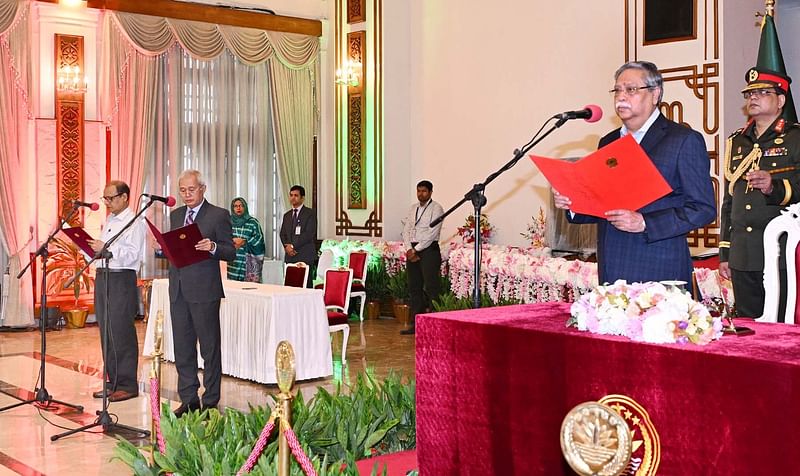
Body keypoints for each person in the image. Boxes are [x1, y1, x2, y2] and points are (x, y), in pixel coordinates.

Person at [554, 61, 716, 285]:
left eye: (630, 90)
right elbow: (603, 203)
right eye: (617, 90)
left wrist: (645, 222)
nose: (621, 97)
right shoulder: (608, 141)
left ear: (655, 94)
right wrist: (573, 201)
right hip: (612, 263)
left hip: (659, 266)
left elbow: (703, 209)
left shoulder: (682, 140)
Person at [719, 67, 800, 318]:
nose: (753, 97)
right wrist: (726, 252)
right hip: (743, 253)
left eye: (763, 92)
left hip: (781, 252)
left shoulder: (795, 137)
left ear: (781, 100)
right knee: (747, 326)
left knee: (780, 327)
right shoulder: (737, 141)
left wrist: (773, 187)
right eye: (750, 93)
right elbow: (729, 201)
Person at [168, 170, 236, 417]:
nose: (186, 194)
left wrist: (213, 246)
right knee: (182, 348)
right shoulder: (176, 215)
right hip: (178, 289)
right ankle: (188, 399)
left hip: (205, 290)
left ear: (203, 188)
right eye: (182, 190)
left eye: (191, 190)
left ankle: (210, 400)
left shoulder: (218, 215)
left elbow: (230, 251)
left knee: (209, 348)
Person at [89, 181, 146, 403]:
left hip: (122, 278)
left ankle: (127, 384)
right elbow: (105, 249)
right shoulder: (111, 220)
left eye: (111, 198)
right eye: (105, 198)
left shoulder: (135, 222)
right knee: (106, 331)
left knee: (121, 331)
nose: (107, 203)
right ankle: (111, 381)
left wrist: (107, 249)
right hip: (104, 276)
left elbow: (133, 255)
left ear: (124, 197)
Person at [400, 180, 444, 335]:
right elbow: (406, 230)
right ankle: (416, 324)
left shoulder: (437, 208)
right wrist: (408, 249)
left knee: (431, 287)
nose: (421, 194)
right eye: (418, 191)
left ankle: (435, 324)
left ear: (431, 192)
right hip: (412, 249)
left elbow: (431, 233)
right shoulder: (413, 208)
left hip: (428, 250)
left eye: (424, 191)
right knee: (414, 288)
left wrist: (416, 250)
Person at [279, 185, 317, 286]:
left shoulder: (310, 213)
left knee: (305, 286)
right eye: (291, 195)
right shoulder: (287, 215)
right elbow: (282, 234)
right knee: (290, 286)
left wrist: (292, 246)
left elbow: (309, 234)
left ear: (302, 198)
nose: (293, 198)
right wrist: (287, 247)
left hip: (304, 255)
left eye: (296, 195)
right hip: (290, 256)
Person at [228, 197, 266, 283]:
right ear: (232, 208)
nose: (238, 208)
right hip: (233, 263)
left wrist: (244, 241)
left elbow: (259, 240)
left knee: (249, 291)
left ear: (245, 207)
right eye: (236, 206)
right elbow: (223, 238)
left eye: (241, 205)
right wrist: (232, 241)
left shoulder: (253, 222)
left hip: (249, 263)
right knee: (233, 290)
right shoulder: (228, 222)